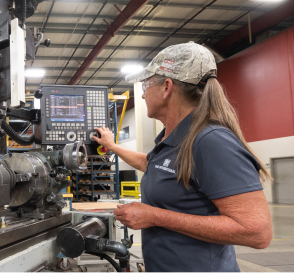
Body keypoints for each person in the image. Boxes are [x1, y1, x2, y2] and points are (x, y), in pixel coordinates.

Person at [91, 42, 272, 272]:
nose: (143, 94)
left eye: (146, 85)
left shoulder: (211, 141)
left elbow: (257, 232)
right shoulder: (175, 138)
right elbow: (150, 164)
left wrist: (155, 216)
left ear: (167, 88)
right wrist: (112, 146)